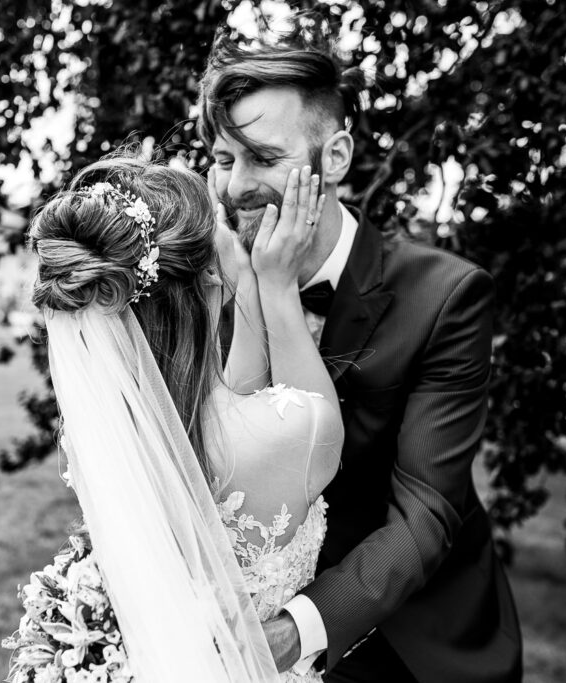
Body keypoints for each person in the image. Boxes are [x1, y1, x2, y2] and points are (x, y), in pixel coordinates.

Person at [197, 31, 523, 683]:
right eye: (223, 159)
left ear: (336, 154)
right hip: (256, 612)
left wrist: (297, 629)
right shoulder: (225, 275)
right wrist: (255, 293)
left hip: (411, 639)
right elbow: (225, 455)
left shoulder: (446, 294)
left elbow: (429, 512)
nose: (237, 187)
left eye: (262, 156)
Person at [28, 152, 344, 682]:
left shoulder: (117, 434)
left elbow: (222, 394)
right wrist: (277, 286)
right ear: (209, 283)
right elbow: (307, 408)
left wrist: (240, 286)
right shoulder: (295, 430)